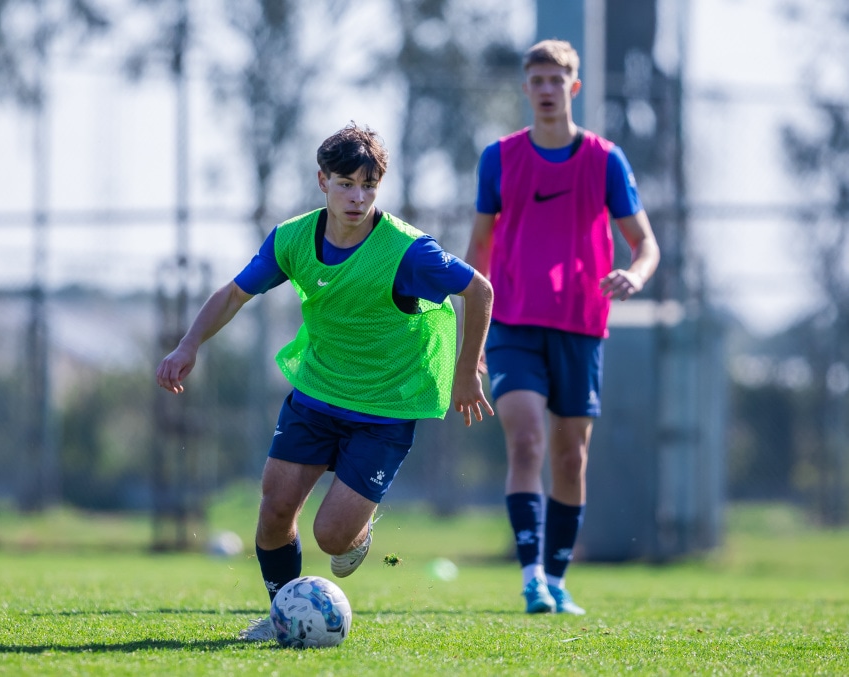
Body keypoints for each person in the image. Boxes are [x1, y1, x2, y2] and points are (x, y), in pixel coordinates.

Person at [156, 122, 495, 640]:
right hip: (317, 395)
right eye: (345, 184)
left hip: (386, 408)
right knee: (273, 513)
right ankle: (280, 615)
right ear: (322, 181)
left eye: (368, 186)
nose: (357, 198)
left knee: (331, 537)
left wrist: (468, 370)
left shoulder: (407, 250)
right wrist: (188, 345)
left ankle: (356, 530)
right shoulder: (293, 238)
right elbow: (233, 294)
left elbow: (480, 290)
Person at [464, 39, 660, 615]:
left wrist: (636, 275)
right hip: (513, 322)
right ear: (526, 89)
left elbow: (644, 243)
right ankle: (531, 580)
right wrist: (470, 334)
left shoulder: (604, 159)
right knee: (526, 440)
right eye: (538, 81)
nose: (547, 90)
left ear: (574, 88)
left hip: (580, 323)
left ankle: (556, 576)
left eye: (557, 80)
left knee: (571, 455)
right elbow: (479, 245)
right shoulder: (498, 158)